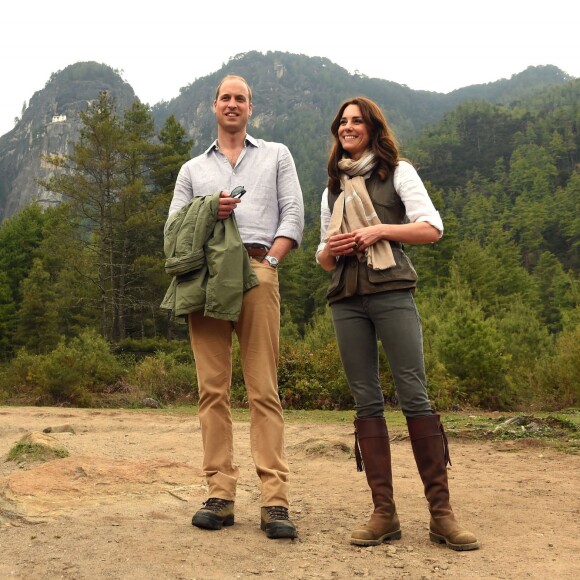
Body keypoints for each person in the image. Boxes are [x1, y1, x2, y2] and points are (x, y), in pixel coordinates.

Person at [316, 96, 479, 551]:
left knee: (414, 393)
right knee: (366, 401)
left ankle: (441, 515)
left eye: (356, 121)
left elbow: (431, 227)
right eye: (342, 122)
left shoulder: (398, 172)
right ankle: (383, 514)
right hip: (346, 298)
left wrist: (379, 231)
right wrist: (337, 247)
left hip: (392, 292)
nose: (347, 127)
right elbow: (322, 258)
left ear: (372, 128)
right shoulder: (331, 187)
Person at [164, 75, 304, 539]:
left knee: (264, 388)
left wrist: (273, 261)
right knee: (212, 390)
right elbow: (174, 228)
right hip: (204, 278)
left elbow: (294, 214)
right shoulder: (191, 170)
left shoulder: (276, 155)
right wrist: (209, 209)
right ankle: (219, 494)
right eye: (225, 97)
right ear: (213, 106)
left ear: (250, 107)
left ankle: (275, 501)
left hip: (256, 268)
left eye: (240, 98)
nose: (232, 104)